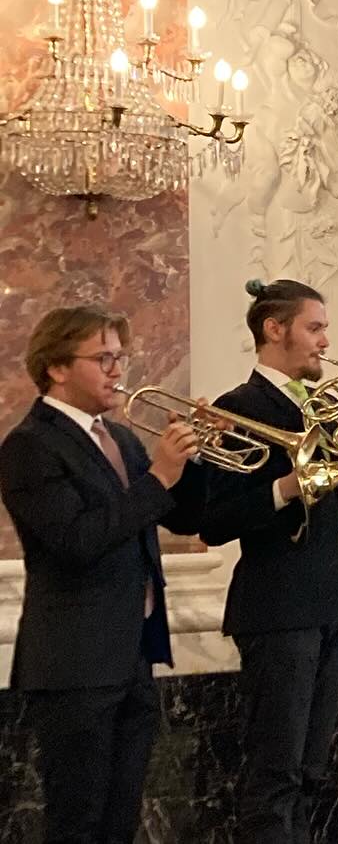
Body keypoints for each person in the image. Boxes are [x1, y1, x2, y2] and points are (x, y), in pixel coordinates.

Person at [199, 279, 338, 842]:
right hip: (279, 606)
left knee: (312, 770)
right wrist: (286, 488)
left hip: (335, 600)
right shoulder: (240, 407)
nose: (325, 341)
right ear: (276, 330)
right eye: (314, 328)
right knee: (276, 772)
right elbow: (216, 520)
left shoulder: (330, 410)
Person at [0, 305, 208, 844]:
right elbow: (76, 541)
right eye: (103, 358)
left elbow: (179, 514)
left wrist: (196, 452)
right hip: (74, 662)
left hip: (131, 653)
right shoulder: (29, 445)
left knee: (120, 818)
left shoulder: (121, 438)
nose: (118, 370)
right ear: (57, 368)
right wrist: (159, 476)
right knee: (78, 819)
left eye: (120, 356)